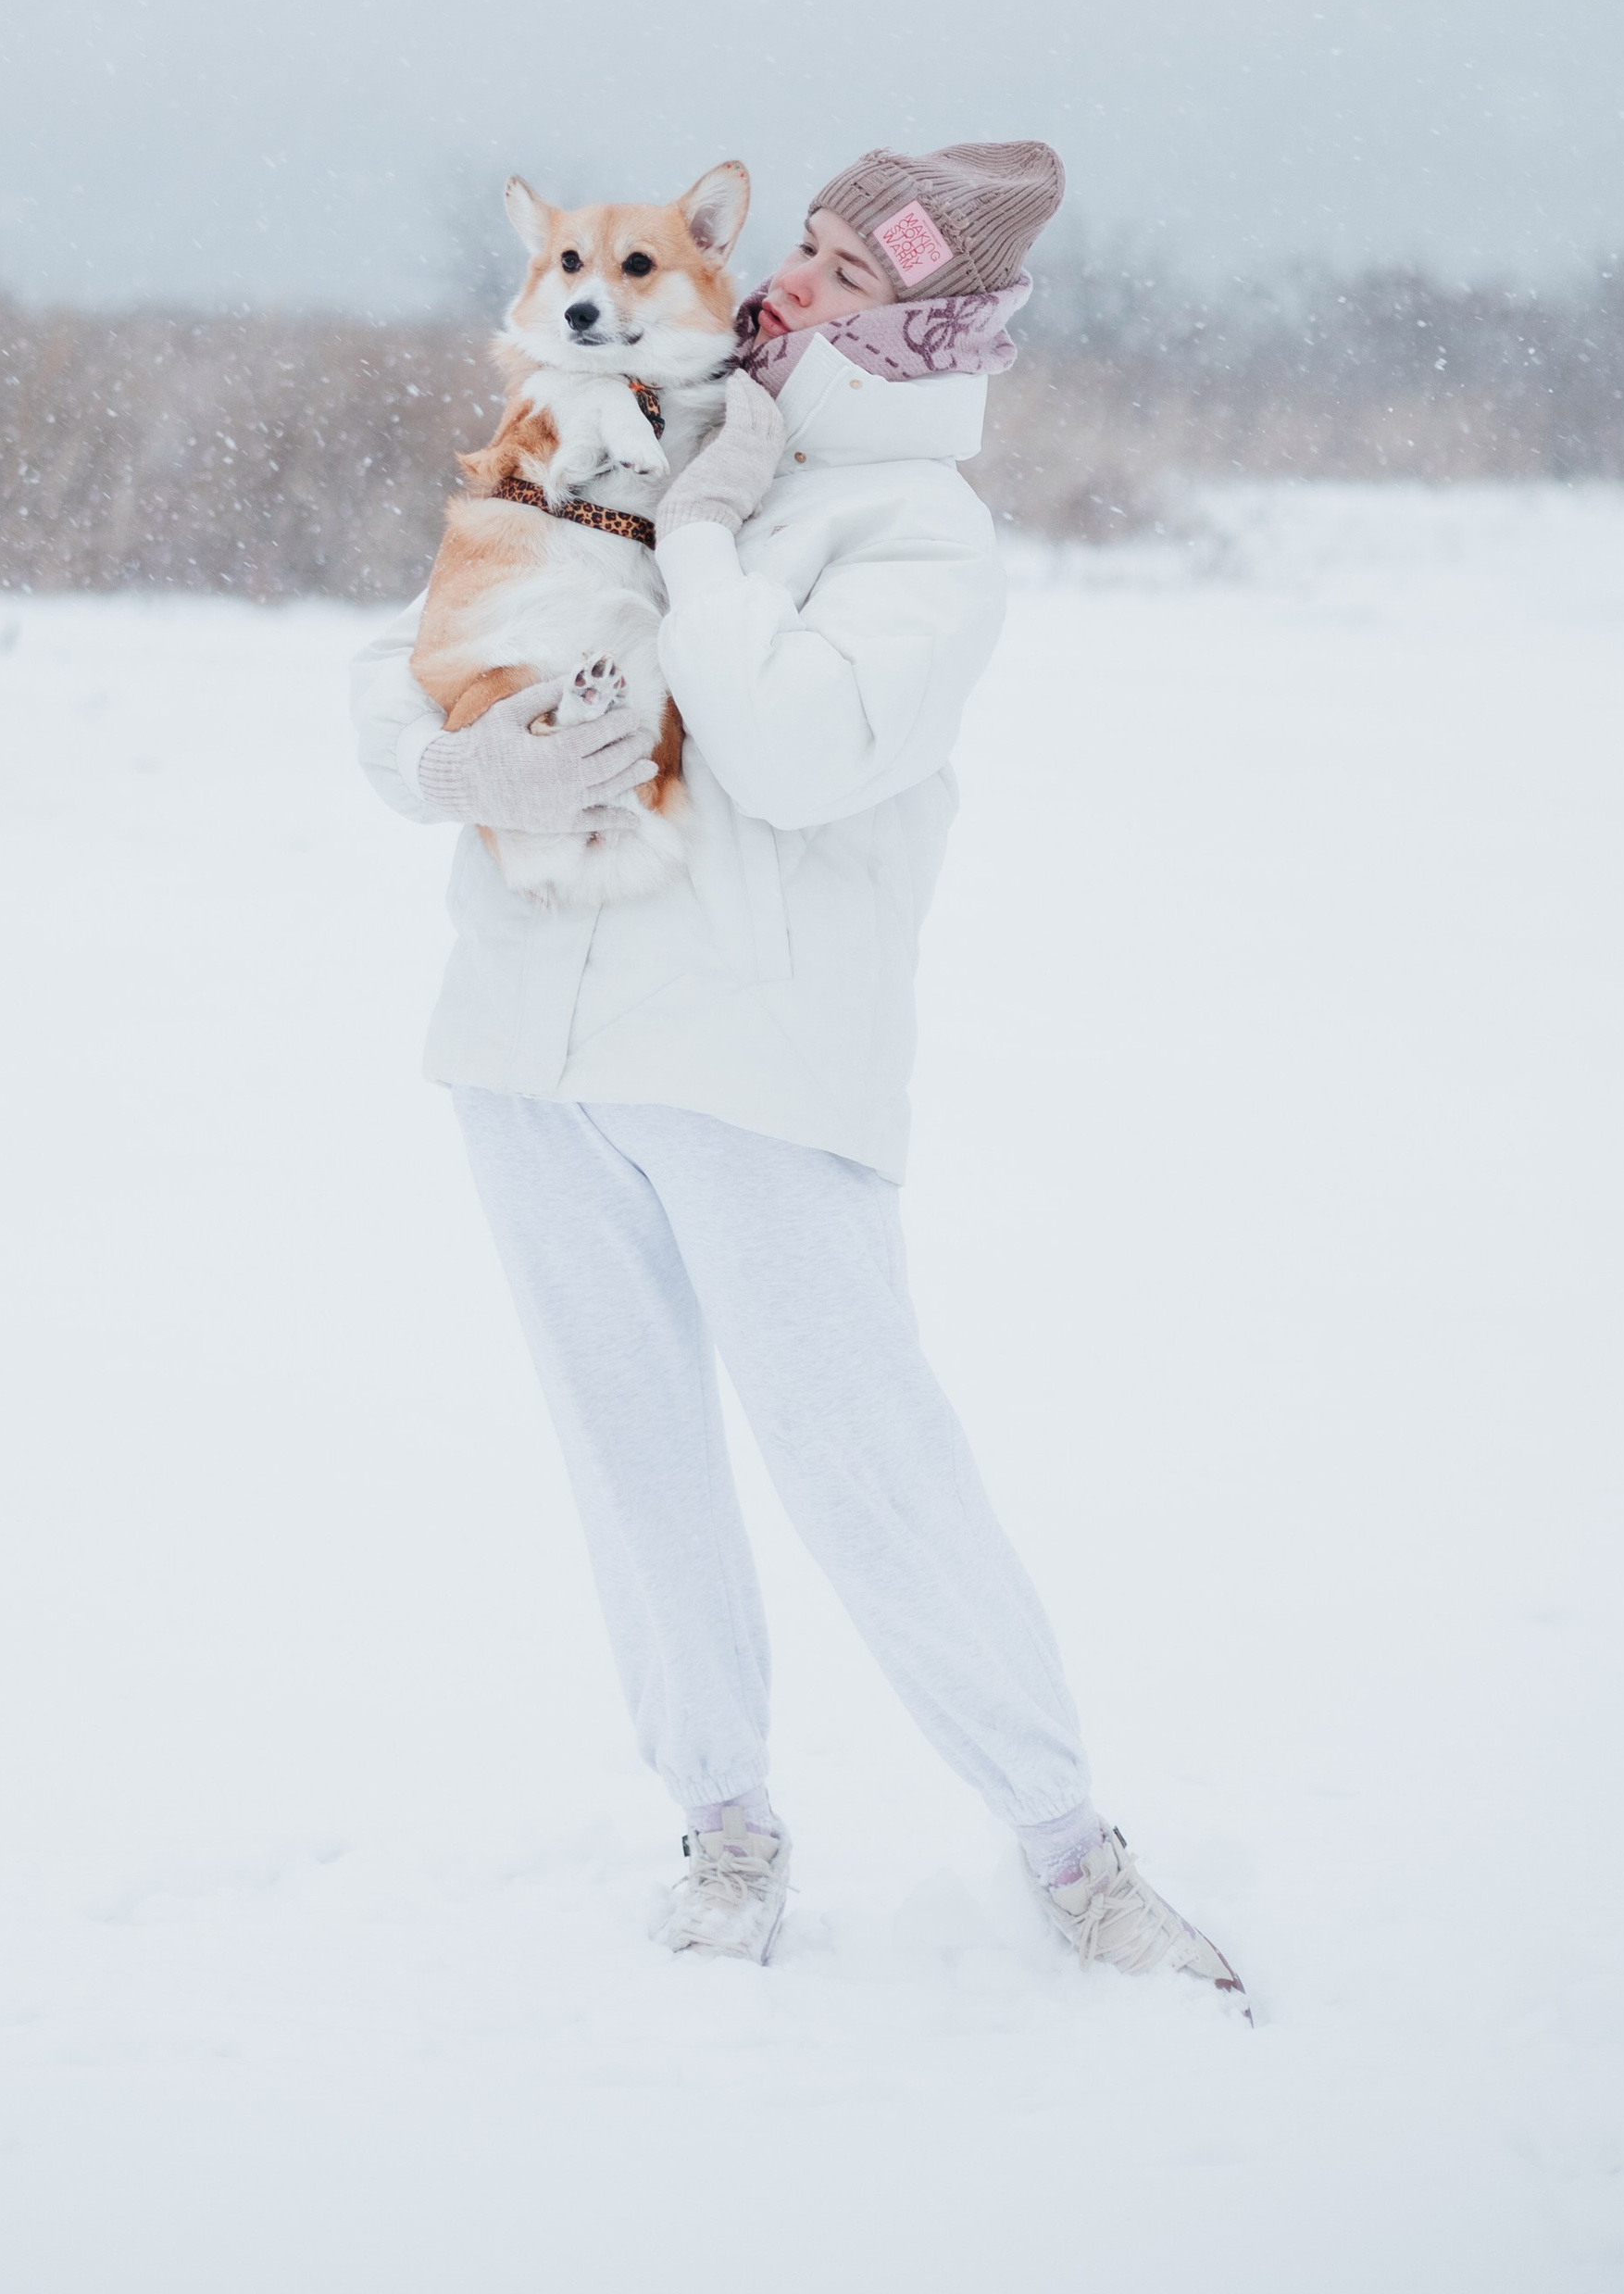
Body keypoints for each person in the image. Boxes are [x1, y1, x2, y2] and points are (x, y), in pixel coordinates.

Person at [351, 140, 1243, 1997]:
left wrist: (696, 541)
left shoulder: (912, 532)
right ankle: (723, 1822)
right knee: (631, 1464)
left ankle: (1067, 1845)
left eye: (842, 273)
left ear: (921, 329)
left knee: (866, 1467)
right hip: (528, 1045)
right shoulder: (634, 417)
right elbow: (418, 642)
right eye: (803, 249)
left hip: (753, 1064)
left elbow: (794, 747)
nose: (789, 288)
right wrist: (455, 764)